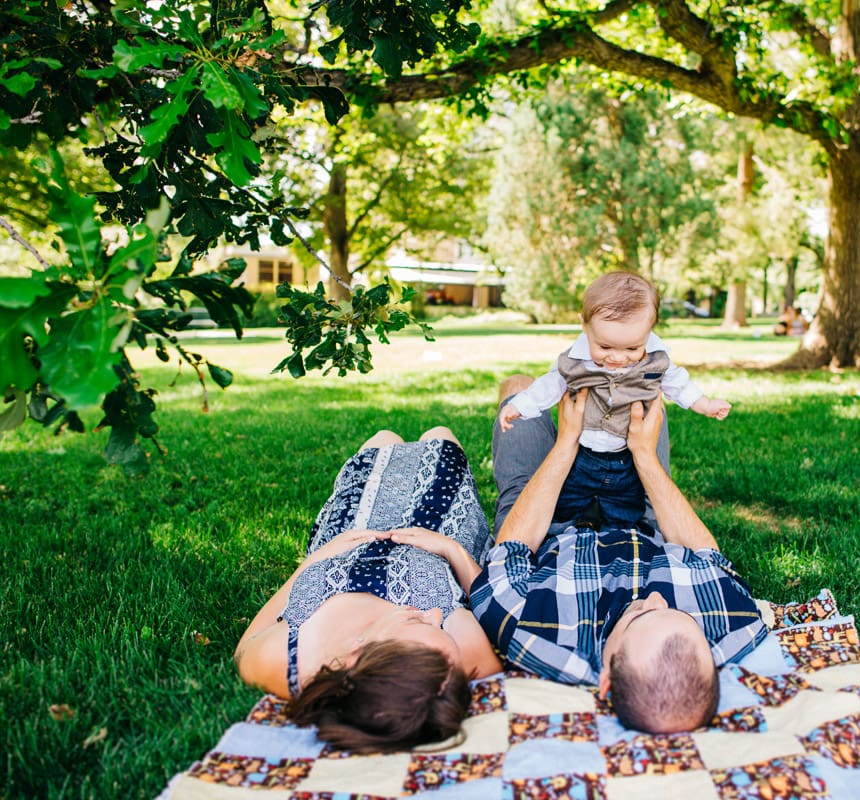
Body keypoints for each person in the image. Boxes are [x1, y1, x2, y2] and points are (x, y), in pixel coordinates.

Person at [473, 378, 767, 734]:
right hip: (638, 517)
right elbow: (703, 552)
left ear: (607, 679)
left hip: (547, 524)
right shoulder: (733, 625)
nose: (656, 599)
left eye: (640, 615)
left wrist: (566, 444)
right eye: (677, 613)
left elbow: (511, 551)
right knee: (635, 391)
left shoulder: (535, 634)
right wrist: (644, 457)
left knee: (519, 391)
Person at [234, 426, 503, 753]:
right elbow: (486, 598)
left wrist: (311, 562)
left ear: (357, 653)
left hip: (354, 521)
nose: (435, 614)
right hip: (440, 517)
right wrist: (451, 550)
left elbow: (245, 645)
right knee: (441, 434)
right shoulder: (453, 661)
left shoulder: (282, 659)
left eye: (416, 622)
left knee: (384, 438)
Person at [498, 271, 731, 528]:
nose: (618, 358)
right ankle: (570, 520)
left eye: (632, 348)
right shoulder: (575, 360)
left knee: (628, 507)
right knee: (568, 501)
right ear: (585, 327)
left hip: (627, 458)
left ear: (648, 333)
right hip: (581, 454)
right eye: (605, 348)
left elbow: (678, 383)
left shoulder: (656, 358)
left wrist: (704, 404)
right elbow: (550, 384)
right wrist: (521, 405)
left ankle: (620, 527)